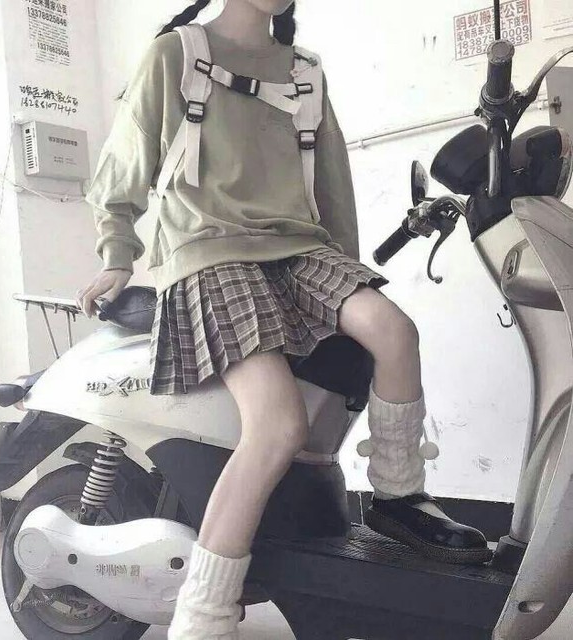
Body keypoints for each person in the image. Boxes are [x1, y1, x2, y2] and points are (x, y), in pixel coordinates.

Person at [76, 1, 490, 638]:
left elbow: (332, 192)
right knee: (278, 426)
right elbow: (122, 170)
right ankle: (202, 613)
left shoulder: (305, 72)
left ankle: (398, 497)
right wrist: (116, 257)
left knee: (394, 331)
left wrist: (347, 287)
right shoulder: (176, 54)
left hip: (299, 250)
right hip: (208, 250)